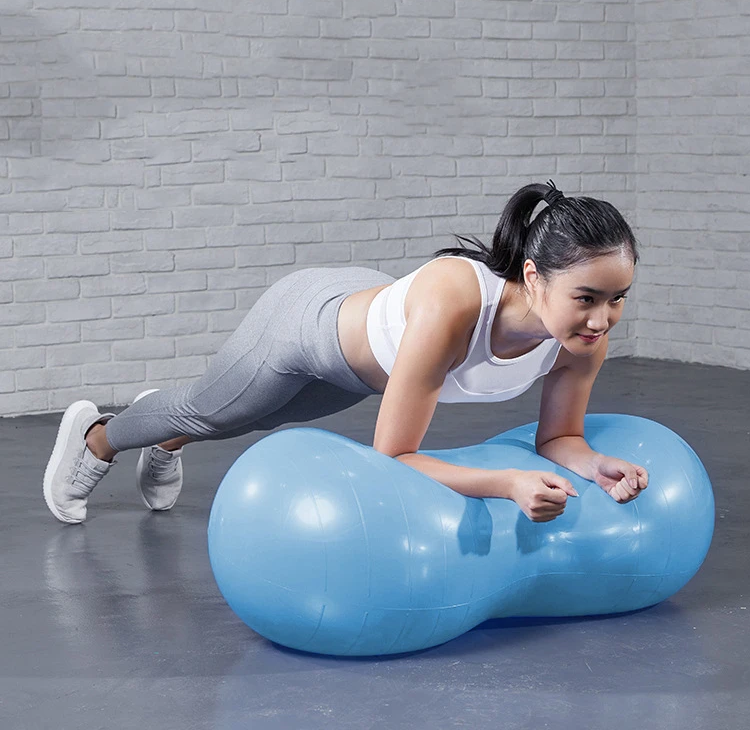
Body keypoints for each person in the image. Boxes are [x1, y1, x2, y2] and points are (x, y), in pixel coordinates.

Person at [44, 180, 648, 525]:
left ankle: (169, 432)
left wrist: (595, 465)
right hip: (307, 324)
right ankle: (97, 435)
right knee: (214, 412)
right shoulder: (455, 304)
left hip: (364, 363)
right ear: (534, 277)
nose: (602, 318)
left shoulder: (581, 338)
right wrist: (505, 483)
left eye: (618, 297)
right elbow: (395, 456)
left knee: (258, 416)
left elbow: (559, 439)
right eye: (587, 297)